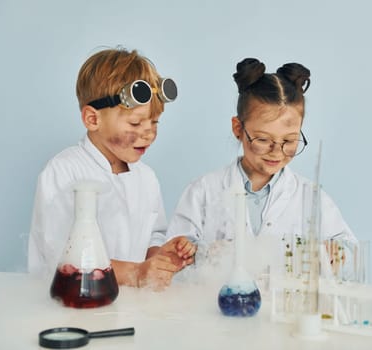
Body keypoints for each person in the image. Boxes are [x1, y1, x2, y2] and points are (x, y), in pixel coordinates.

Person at [166, 58, 355, 279]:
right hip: (216, 308)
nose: (277, 152)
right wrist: (198, 253)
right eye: (263, 140)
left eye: (290, 141)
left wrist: (338, 254)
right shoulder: (204, 191)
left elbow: (350, 253)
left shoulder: (310, 197)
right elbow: (172, 257)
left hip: (286, 311)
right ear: (238, 128)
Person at [28, 48, 196, 290]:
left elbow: (153, 236)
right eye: (136, 122)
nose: (149, 132)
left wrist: (161, 257)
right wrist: (135, 273)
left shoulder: (146, 178)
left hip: (129, 307)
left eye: (155, 122)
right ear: (93, 119)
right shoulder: (64, 172)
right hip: (72, 303)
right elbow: (63, 258)